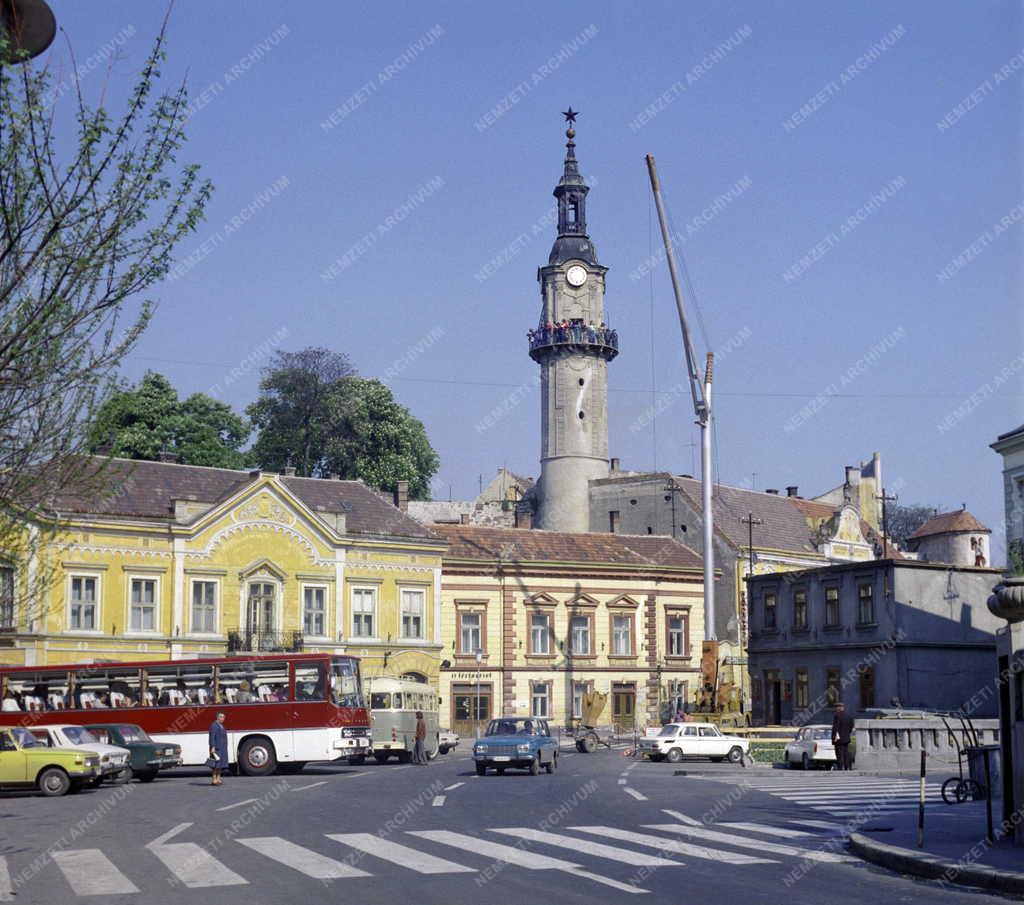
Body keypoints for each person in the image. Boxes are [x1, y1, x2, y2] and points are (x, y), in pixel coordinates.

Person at [831, 701, 855, 770]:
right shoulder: (849, 716)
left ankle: (840, 767)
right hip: (846, 738)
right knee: (846, 753)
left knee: (839, 754)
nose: (835, 709)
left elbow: (836, 728)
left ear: (839, 708)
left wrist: (834, 737)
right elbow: (851, 726)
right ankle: (847, 767)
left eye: (836, 708)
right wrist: (847, 733)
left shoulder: (837, 716)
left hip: (838, 739)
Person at [208, 712, 228, 785]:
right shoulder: (214, 725)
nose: (223, 719)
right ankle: (214, 779)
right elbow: (212, 737)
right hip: (216, 748)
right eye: (221, 717)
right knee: (215, 765)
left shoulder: (221, 725)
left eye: (223, 717)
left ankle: (218, 779)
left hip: (222, 748)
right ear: (218, 717)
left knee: (221, 764)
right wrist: (212, 747)